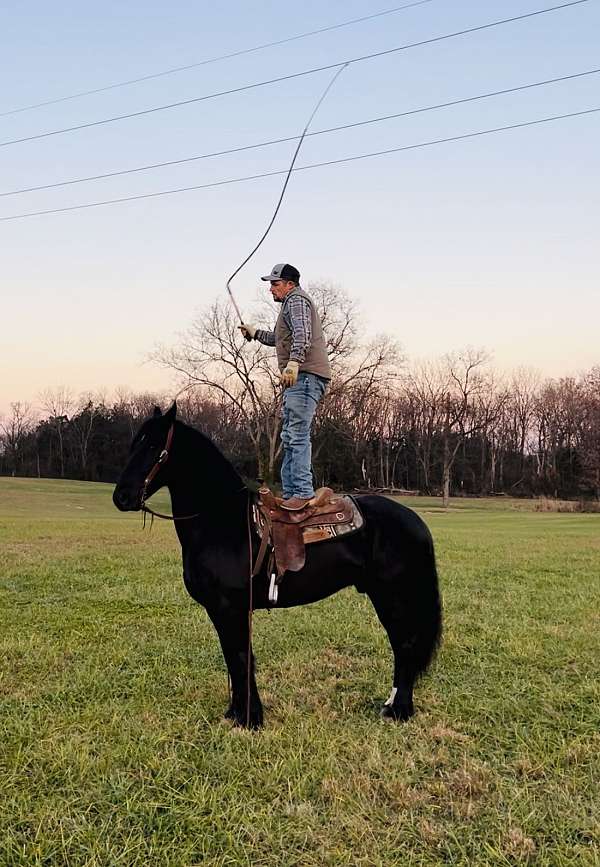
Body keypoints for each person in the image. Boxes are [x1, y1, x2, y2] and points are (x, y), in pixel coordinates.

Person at [239, 263, 331, 510]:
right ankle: (291, 493)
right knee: (289, 435)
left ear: (290, 284)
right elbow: (280, 339)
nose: (271, 290)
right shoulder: (290, 305)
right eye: (270, 284)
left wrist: (293, 363)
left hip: (305, 376)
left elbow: (303, 335)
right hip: (300, 377)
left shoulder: (296, 300)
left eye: (275, 284)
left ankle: (302, 492)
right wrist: (255, 332)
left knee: (297, 434)